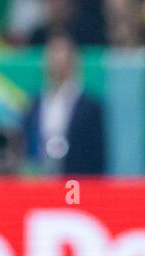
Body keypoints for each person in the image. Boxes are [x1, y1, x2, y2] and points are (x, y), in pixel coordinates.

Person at [23, 34, 105, 175]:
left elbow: (97, 154)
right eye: (52, 53)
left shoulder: (89, 106)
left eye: (61, 53)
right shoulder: (35, 102)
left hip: (76, 178)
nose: (56, 59)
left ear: (73, 61)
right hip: (42, 178)